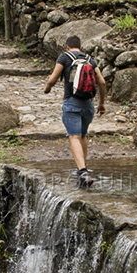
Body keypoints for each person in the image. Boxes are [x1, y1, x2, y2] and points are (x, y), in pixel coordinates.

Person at [44, 35, 106, 188]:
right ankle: (83, 169)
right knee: (83, 135)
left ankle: (83, 171)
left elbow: (53, 78)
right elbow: (102, 82)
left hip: (71, 103)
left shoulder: (65, 57)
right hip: (88, 105)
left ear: (67, 46)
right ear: (81, 47)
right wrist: (102, 103)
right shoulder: (89, 59)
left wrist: (47, 89)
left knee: (74, 137)